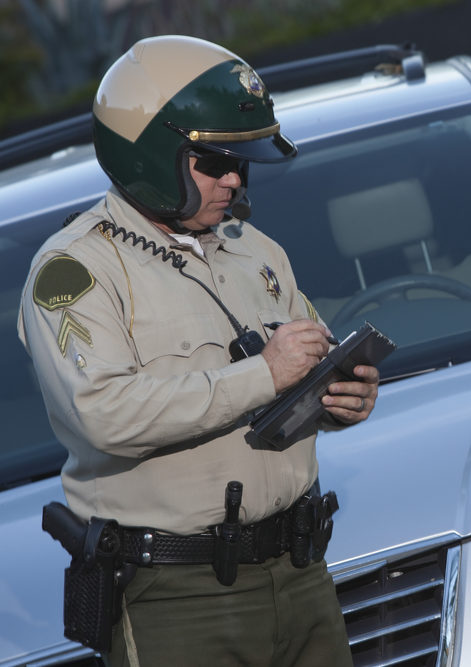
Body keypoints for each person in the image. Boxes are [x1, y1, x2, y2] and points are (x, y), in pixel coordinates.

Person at [18, 35, 377, 666]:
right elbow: (105, 415)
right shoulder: (73, 271)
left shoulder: (257, 250)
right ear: (152, 155)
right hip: (177, 598)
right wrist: (263, 376)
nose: (235, 179)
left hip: (302, 573)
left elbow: (309, 362)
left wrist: (345, 393)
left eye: (242, 162)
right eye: (214, 163)